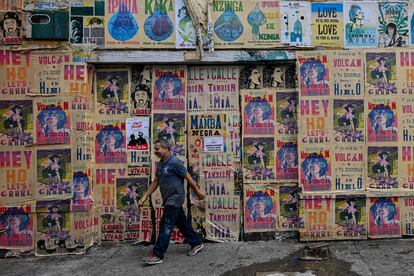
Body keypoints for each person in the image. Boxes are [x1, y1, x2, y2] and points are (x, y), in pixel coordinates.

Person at [138, 140, 205, 265]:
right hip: (168, 199)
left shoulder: (175, 162)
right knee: (181, 222)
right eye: (155, 149)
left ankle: (158, 254)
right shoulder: (161, 164)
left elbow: (188, 177)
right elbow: (156, 181)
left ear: (166, 149)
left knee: (166, 225)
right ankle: (196, 242)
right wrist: (145, 196)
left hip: (175, 198)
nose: (155, 151)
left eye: (157, 149)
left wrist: (197, 192)